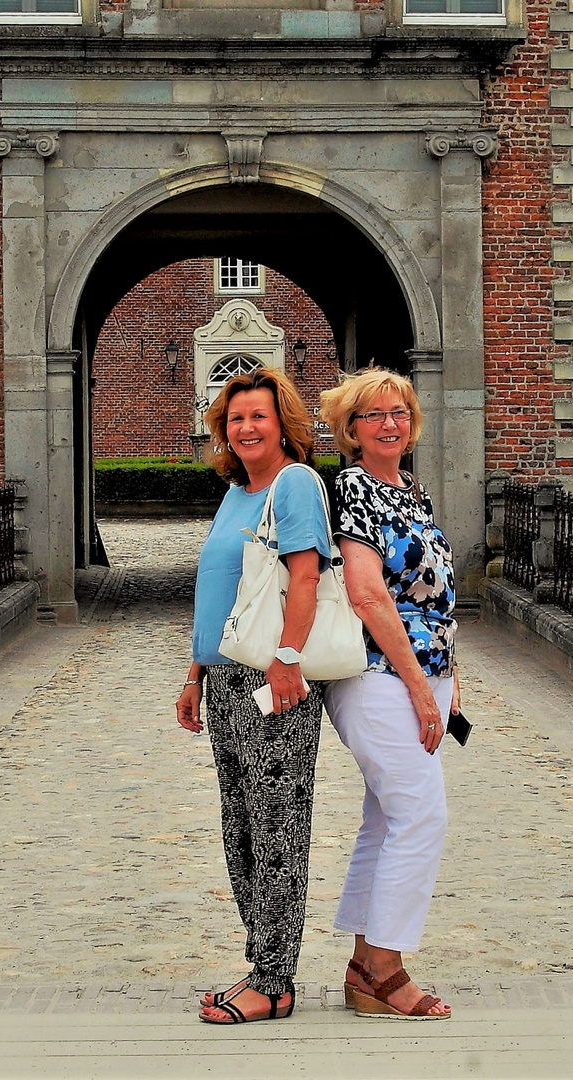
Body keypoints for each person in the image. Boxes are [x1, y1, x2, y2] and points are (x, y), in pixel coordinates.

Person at [176, 366, 332, 1025]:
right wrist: (194, 673)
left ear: (283, 423)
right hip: (225, 679)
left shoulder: (295, 483)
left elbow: (304, 577)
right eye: (234, 418)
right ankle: (261, 965)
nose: (244, 428)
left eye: (257, 417)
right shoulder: (237, 490)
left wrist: (288, 660)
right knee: (241, 825)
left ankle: (274, 980)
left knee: (277, 829)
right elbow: (218, 589)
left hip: (275, 677)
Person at [317, 367, 457, 1021]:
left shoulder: (412, 491)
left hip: (420, 675)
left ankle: (362, 965)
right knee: (420, 814)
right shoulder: (353, 487)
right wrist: (419, 689)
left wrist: (451, 681)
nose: (391, 423)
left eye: (400, 411)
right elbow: (368, 593)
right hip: (377, 676)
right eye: (375, 415)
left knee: (385, 819)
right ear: (352, 428)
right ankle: (386, 965)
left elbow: (433, 595)